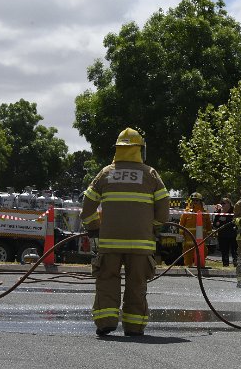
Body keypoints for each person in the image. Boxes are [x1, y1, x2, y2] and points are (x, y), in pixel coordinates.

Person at [80, 127, 170, 336]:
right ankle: (134, 325)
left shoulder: (106, 173)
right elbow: (164, 209)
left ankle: (106, 321)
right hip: (141, 243)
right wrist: (154, 228)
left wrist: (94, 229)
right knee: (136, 283)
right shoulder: (150, 174)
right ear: (140, 149)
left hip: (110, 242)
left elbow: (87, 206)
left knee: (107, 279)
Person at [179, 192, 212, 267]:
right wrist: (181, 235)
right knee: (188, 253)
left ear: (200, 201)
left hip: (201, 240)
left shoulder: (205, 213)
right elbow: (181, 224)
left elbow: (208, 225)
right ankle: (188, 265)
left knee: (203, 252)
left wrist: (209, 234)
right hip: (188, 239)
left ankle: (200, 265)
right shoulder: (187, 212)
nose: (195, 202)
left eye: (197, 200)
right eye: (193, 200)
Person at [212, 197, 237, 267]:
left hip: (233, 235)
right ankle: (225, 264)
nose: (222, 205)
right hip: (222, 236)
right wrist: (218, 222)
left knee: (234, 251)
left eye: (224, 203)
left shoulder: (234, 211)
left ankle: (236, 264)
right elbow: (215, 224)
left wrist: (222, 221)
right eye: (221, 203)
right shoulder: (219, 212)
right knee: (224, 251)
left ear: (229, 204)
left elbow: (236, 222)